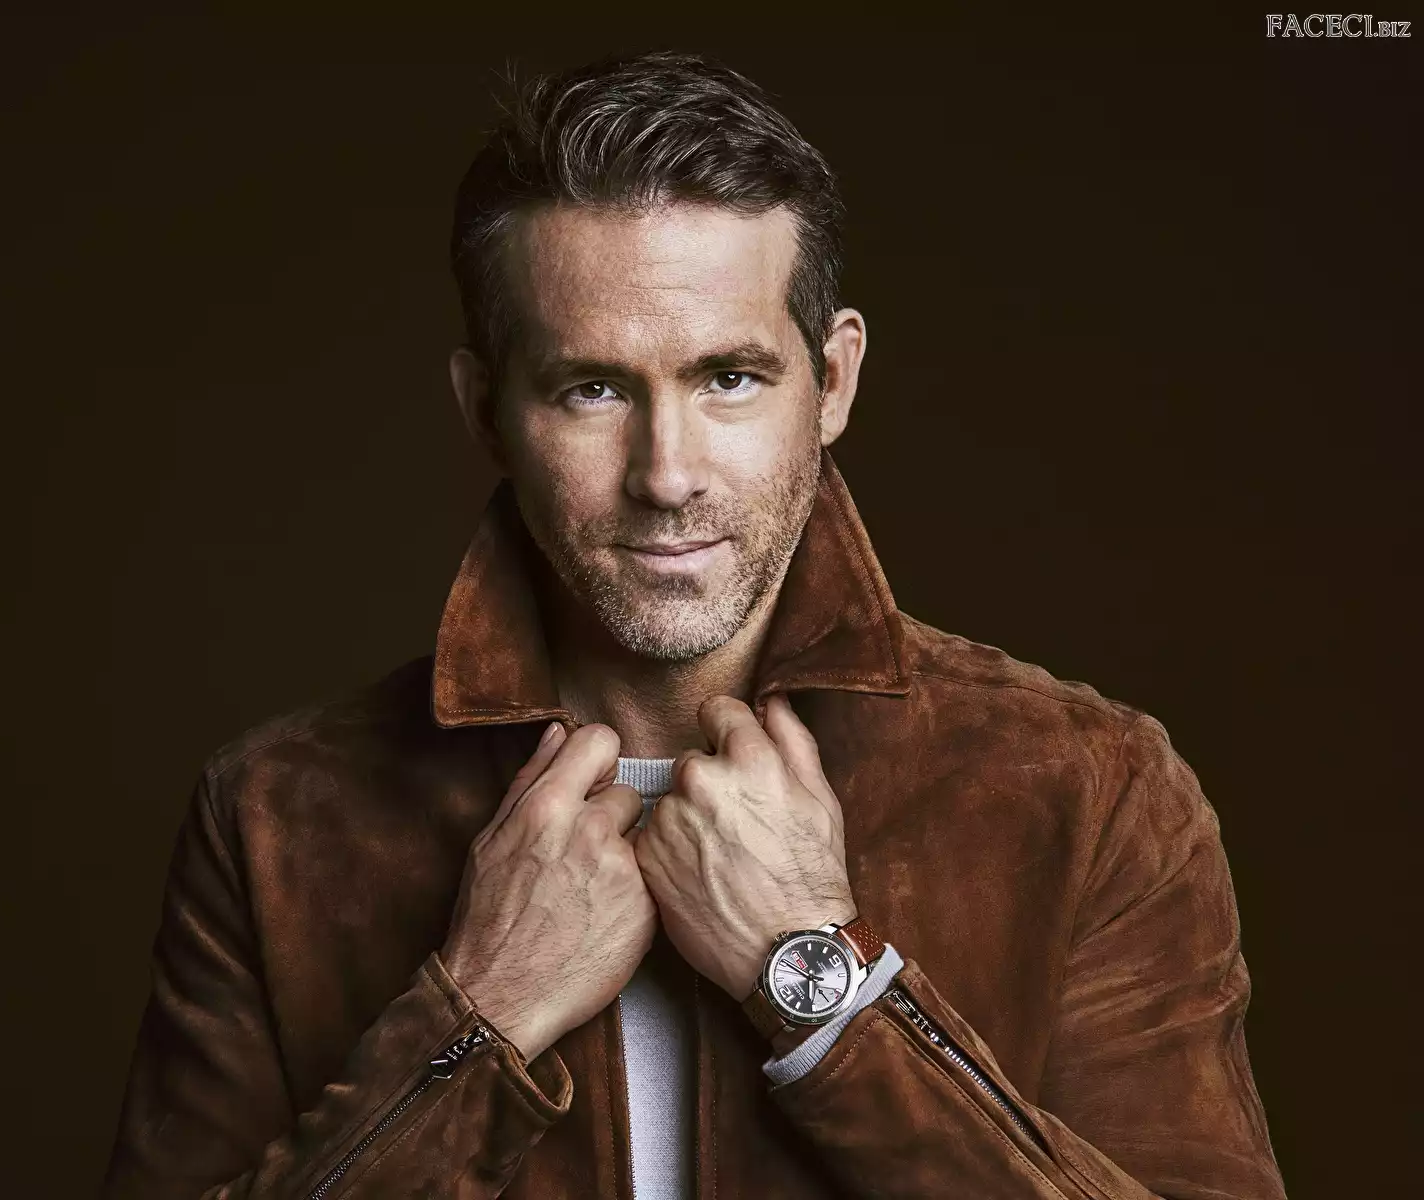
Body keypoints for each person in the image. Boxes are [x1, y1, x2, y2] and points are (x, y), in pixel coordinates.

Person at [101, 51, 1284, 1199]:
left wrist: (823, 990)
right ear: (486, 412)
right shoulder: (278, 818)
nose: (666, 475)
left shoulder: (1087, 789)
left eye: (729, 378)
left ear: (833, 382)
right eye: (592, 388)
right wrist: (478, 1019)